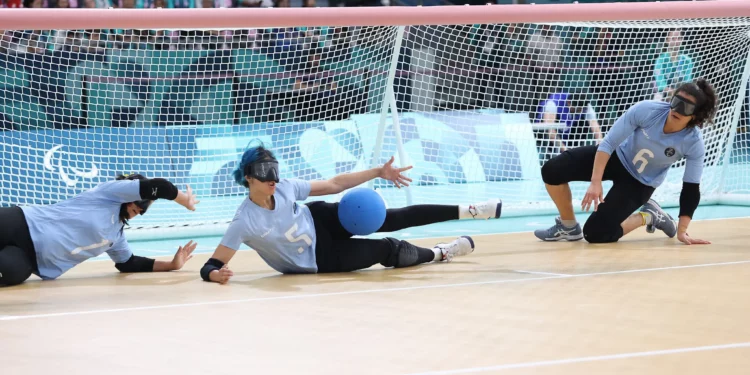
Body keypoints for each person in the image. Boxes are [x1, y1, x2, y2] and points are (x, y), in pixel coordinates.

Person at [200, 144, 502, 284]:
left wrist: (377, 172)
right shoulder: (244, 221)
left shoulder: (285, 188)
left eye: (275, 171)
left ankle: (471, 210)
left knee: (388, 216)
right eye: (265, 172)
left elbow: (333, 184)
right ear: (248, 177)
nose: (273, 178)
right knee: (387, 249)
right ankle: (440, 253)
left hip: (321, 219)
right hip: (319, 259)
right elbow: (210, 264)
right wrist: (216, 274)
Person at [534, 79, 717, 245]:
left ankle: (649, 216)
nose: (677, 110)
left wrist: (683, 231)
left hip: (640, 182)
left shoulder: (693, 143)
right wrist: (595, 182)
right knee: (552, 169)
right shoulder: (648, 110)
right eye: (676, 102)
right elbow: (608, 143)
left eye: (686, 107)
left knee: (595, 234)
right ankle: (569, 226)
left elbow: (691, 188)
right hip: (617, 157)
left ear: (696, 115)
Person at [0, 173, 200, 286]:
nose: (140, 208)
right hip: (23, 223)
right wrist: (185, 201)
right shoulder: (109, 195)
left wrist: (171, 265)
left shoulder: (116, 236)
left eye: (143, 208)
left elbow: (128, 263)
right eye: (140, 201)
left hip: (32, 260)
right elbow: (161, 186)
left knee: (12, 272)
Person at [538, 90, 603, 153]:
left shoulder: (585, 107)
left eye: (581, 109)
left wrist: (600, 147)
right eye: (578, 109)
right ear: (569, 103)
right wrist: (566, 151)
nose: (580, 111)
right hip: (545, 131)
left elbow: (596, 129)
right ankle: (550, 152)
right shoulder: (553, 103)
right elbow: (550, 132)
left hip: (568, 129)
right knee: (549, 128)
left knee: (584, 123)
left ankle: (576, 150)